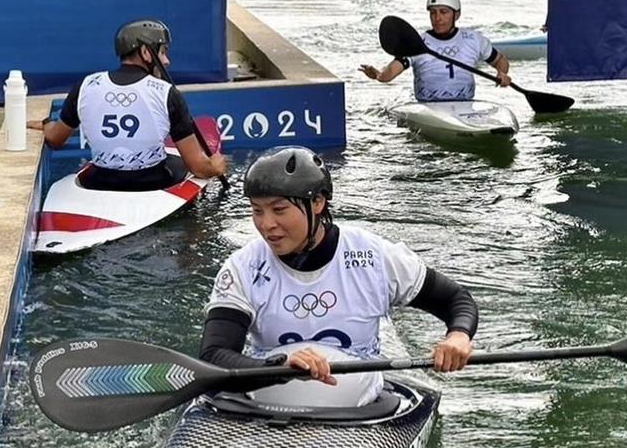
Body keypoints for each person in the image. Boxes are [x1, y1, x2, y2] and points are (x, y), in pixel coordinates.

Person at [200, 146, 478, 407]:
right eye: (257, 210)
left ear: (318, 202)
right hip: (269, 395)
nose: (266, 224)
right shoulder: (243, 268)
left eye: (279, 210)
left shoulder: (372, 256)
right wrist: (279, 365)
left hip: (358, 400)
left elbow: (455, 299)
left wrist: (458, 336)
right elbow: (215, 357)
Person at [28, 19, 226, 192]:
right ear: (146, 52)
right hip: (151, 185)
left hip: (99, 183)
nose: (167, 61)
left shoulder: (86, 85)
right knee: (178, 163)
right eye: (163, 52)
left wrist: (47, 124)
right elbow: (197, 167)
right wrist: (214, 166)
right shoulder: (167, 93)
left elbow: (55, 140)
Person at [359, 0, 512, 103]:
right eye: (433, 13)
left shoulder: (473, 39)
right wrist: (379, 75)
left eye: (443, 12)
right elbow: (392, 70)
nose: (437, 18)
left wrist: (501, 73)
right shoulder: (417, 43)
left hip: (465, 107)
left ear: (456, 15)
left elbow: (500, 60)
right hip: (429, 107)